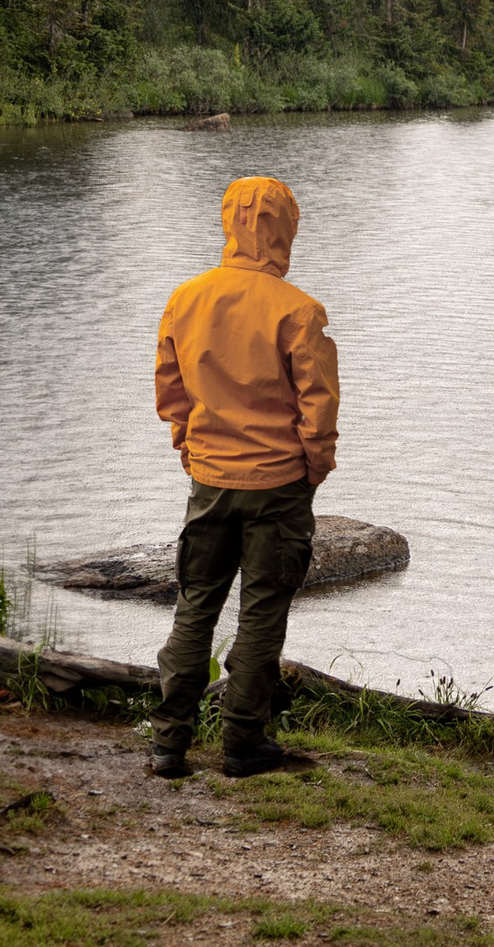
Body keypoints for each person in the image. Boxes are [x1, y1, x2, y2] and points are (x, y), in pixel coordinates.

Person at [144, 175, 340, 778]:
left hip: (210, 482)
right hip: (278, 486)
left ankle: (169, 743)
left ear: (230, 223)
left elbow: (170, 392)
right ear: (285, 229)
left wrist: (192, 451)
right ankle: (241, 744)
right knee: (260, 614)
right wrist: (312, 470)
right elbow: (319, 406)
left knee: (194, 606)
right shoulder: (298, 311)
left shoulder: (185, 299)